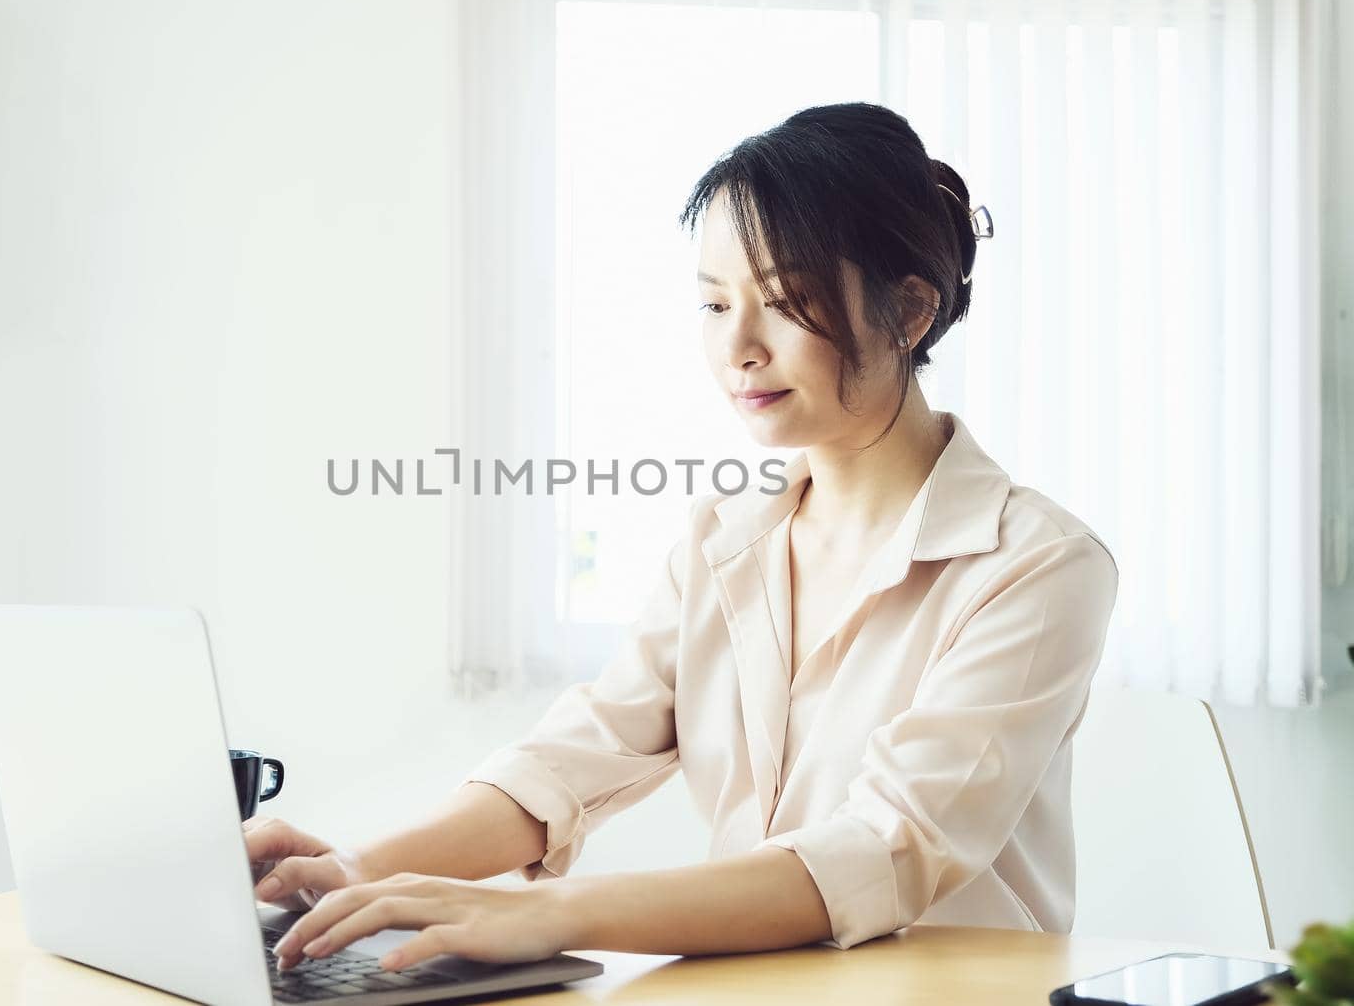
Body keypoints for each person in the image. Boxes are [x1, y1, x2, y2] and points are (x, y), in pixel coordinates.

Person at [247, 101, 1119, 975]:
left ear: (910, 312)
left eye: (784, 302)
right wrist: (360, 870)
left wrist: (548, 913)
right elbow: (578, 756)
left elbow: (886, 848)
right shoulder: (723, 540)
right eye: (713, 302)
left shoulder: (1037, 565)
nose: (737, 346)